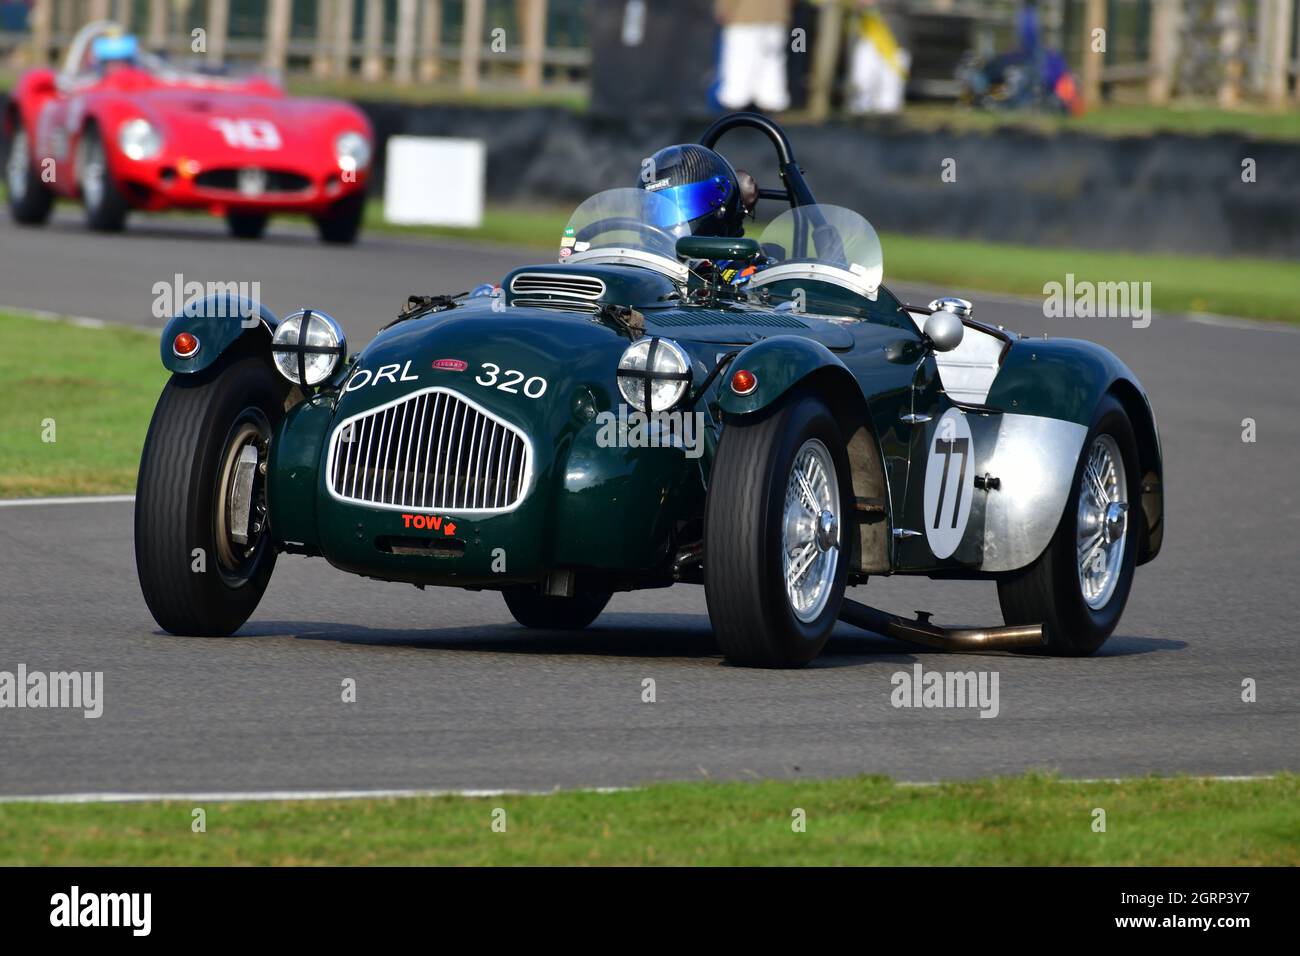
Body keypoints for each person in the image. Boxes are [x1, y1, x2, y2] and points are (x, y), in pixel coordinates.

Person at [715, 0, 793, 113]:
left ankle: (736, 101)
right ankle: (770, 100)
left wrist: (723, 10)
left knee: (740, 63)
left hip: (743, 18)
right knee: (771, 65)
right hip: (776, 17)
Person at [847, 0, 910, 114]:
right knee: (862, 82)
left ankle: (885, 121)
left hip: (894, 42)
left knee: (889, 89)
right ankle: (859, 117)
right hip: (867, 38)